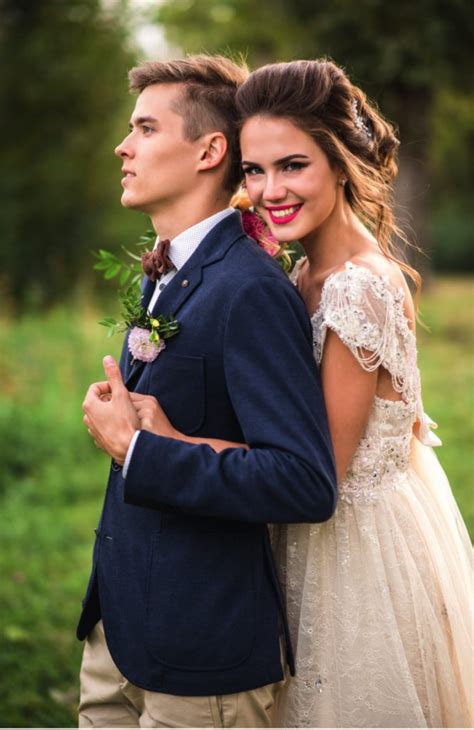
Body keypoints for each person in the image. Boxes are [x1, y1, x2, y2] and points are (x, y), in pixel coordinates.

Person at [137, 59, 473, 727]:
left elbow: (319, 470)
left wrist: (165, 443)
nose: (268, 190)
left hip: (354, 554)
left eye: (293, 166)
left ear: (341, 162)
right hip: (303, 538)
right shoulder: (299, 271)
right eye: (255, 171)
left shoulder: (357, 287)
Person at [78, 55, 337, 728]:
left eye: (144, 129)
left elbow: (303, 482)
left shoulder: (249, 289)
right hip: (119, 630)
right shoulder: (160, 271)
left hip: (200, 656)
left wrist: (139, 452)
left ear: (209, 150)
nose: (123, 146)